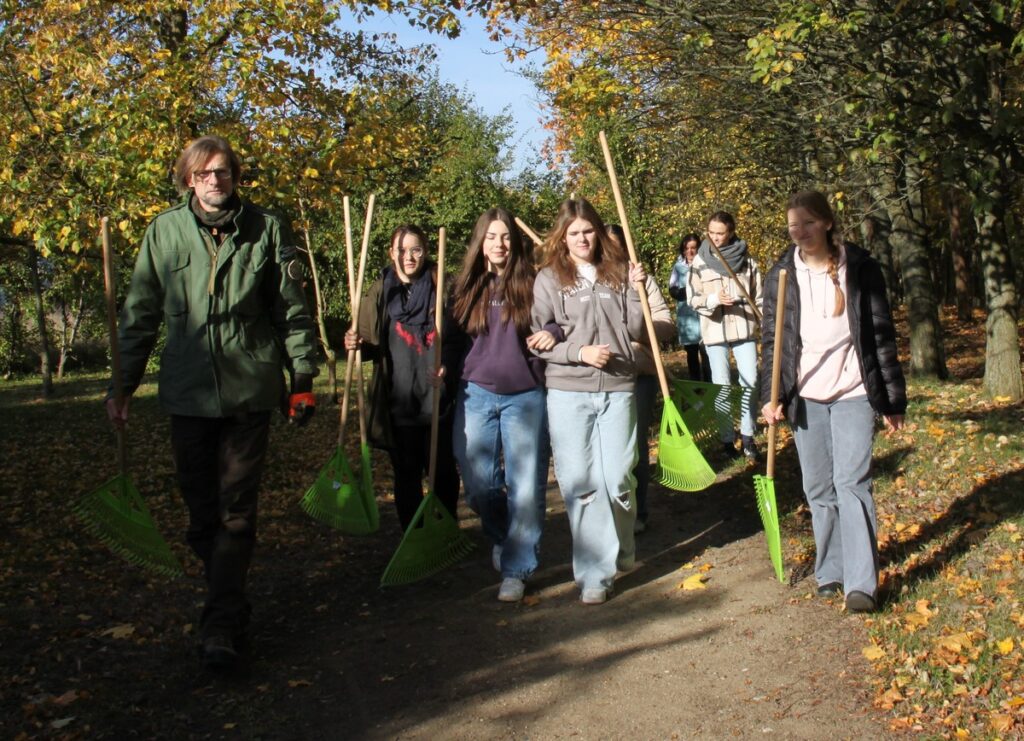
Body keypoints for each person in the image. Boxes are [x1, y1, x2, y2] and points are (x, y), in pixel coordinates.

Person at [106, 135, 319, 670]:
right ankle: (231, 596)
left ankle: (220, 624)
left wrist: (303, 378)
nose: (215, 181)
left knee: (236, 512)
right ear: (189, 180)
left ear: (235, 177)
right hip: (188, 392)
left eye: (223, 172)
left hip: (250, 389)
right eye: (204, 174)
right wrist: (122, 385)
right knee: (202, 517)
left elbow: (292, 311)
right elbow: (139, 316)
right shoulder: (164, 231)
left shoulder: (267, 229)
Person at [761, 190, 906, 613]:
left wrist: (892, 399)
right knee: (818, 487)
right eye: (792, 225)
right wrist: (772, 397)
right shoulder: (782, 274)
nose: (799, 232)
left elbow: (880, 333)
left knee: (852, 482)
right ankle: (831, 570)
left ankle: (861, 583)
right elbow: (775, 342)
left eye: (807, 223)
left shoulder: (859, 267)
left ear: (825, 222)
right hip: (806, 395)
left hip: (854, 391)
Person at [531, 198, 646, 605]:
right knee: (582, 485)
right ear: (562, 237)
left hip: (617, 387)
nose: (582, 238)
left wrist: (637, 291)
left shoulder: (617, 273)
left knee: (617, 480)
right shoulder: (548, 279)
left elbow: (638, 328)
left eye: (588, 230)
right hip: (567, 390)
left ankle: (624, 543)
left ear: (598, 232)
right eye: (573, 232)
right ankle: (596, 573)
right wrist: (576, 353)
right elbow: (540, 339)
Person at [449, 208, 555, 602]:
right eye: (492, 237)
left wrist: (552, 332)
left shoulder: (534, 282)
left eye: (506, 236)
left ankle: (517, 568)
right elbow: (450, 337)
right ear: (481, 242)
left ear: (516, 241)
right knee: (478, 485)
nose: (499, 244)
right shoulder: (467, 286)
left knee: (525, 488)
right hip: (475, 393)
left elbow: (558, 319)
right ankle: (502, 536)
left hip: (525, 395)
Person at [345, 224, 460, 532]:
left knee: (444, 473)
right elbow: (370, 342)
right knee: (406, 474)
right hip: (398, 400)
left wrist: (447, 367)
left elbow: (457, 340)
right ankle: (412, 534)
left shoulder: (442, 286)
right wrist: (356, 343)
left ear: (425, 251)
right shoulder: (382, 289)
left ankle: (445, 530)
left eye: (416, 250)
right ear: (391, 253)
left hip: (436, 397)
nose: (408, 257)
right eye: (401, 250)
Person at [607, 224, 674, 535]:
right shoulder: (588, 281)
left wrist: (642, 332)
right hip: (601, 376)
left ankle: (637, 510)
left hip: (639, 374)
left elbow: (665, 323)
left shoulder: (640, 279)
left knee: (634, 449)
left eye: (616, 245)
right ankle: (608, 513)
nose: (610, 251)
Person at [687, 211, 763, 461]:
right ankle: (726, 439)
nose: (715, 238)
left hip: (744, 327)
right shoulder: (699, 262)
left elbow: (759, 297)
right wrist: (713, 300)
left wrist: (757, 312)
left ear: (731, 232)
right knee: (721, 386)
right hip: (714, 331)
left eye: (721, 233)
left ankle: (749, 435)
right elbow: (692, 299)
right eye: (711, 232)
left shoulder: (747, 260)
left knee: (750, 381)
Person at [668, 233, 710, 381]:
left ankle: (710, 386)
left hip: (705, 316)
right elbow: (672, 289)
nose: (690, 251)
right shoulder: (678, 267)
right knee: (692, 355)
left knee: (707, 353)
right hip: (688, 318)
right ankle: (696, 388)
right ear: (683, 250)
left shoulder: (706, 264)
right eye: (687, 248)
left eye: (693, 248)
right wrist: (687, 292)